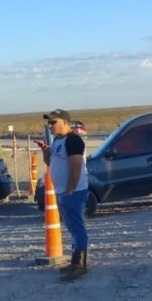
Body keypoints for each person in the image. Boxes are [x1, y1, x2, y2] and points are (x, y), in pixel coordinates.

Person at [37, 109, 90, 280]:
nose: (50, 126)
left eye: (54, 122)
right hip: (62, 190)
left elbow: (76, 166)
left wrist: (70, 189)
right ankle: (75, 261)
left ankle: (80, 264)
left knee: (77, 226)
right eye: (49, 123)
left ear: (65, 123)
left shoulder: (73, 140)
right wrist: (46, 151)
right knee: (72, 227)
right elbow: (51, 163)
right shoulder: (59, 141)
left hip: (73, 191)